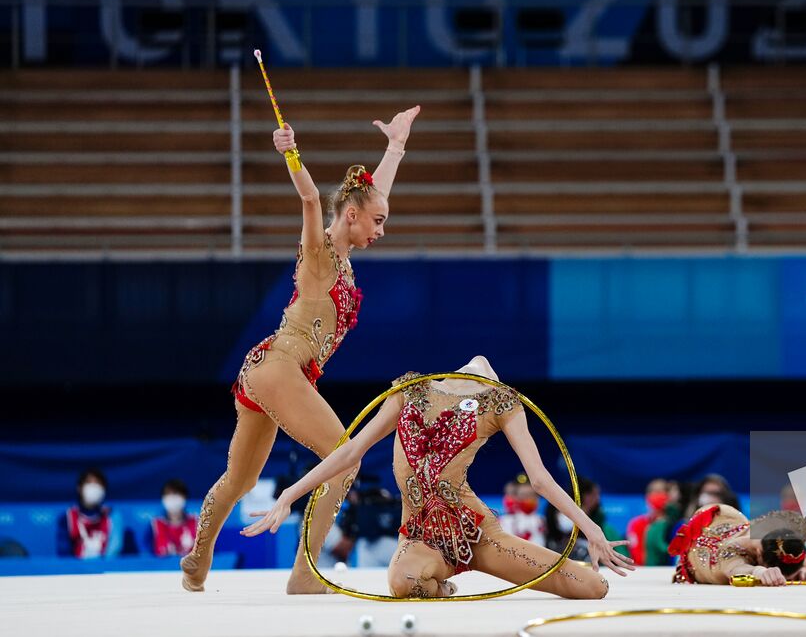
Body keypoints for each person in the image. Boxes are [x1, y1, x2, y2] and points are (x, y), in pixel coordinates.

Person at [182, 107, 420, 594]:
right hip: (281, 368)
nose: (381, 229)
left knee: (240, 479)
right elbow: (312, 199)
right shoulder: (320, 250)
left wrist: (395, 147)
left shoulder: (347, 253)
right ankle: (305, 572)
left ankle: (197, 559)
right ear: (350, 216)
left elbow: (373, 196)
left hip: (271, 370)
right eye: (376, 221)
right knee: (345, 458)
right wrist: (291, 153)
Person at [241, 356, 631, 598]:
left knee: (592, 588)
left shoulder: (500, 401)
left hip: (480, 535)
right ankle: (442, 583)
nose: (479, 366)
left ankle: (460, 572)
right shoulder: (411, 391)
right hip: (420, 537)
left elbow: (541, 479)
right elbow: (349, 451)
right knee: (404, 583)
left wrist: (590, 531)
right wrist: (289, 493)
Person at [668, 502, 806, 586]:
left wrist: (801, 568)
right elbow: (736, 569)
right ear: (759, 557)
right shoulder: (728, 555)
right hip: (699, 557)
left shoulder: (726, 514)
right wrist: (759, 572)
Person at [59, 468, 125, 559]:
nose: (93, 487)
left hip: (106, 570)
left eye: (98, 483)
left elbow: (114, 551)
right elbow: (64, 554)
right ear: (79, 488)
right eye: (88, 482)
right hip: (75, 571)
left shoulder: (113, 517)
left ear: (104, 489)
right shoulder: (68, 517)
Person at [626, 479, 670, 565]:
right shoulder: (636, 524)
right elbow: (634, 551)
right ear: (647, 496)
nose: (658, 495)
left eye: (662, 492)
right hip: (642, 571)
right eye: (655, 492)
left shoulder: (671, 524)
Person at [151, 479, 197, 558]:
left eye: (176, 494)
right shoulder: (155, 524)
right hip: (162, 569)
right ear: (163, 499)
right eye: (168, 495)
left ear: (184, 498)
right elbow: (150, 554)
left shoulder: (196, 522)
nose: (172, 499)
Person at [499, 475, 546, 545]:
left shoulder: (542, 520)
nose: (528, 499)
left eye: (531, 495)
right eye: (524, 495)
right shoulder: (505, 521)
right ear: (517, 498)